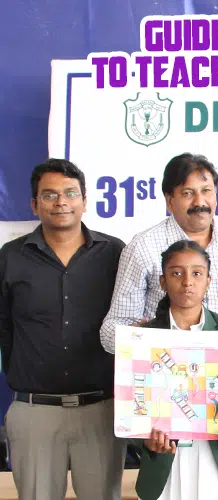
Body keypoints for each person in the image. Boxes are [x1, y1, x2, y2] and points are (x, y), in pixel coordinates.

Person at [0, 159, 126, 499]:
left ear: (85, 201)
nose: (61, 202)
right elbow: (5, 330)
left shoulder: (115, 253)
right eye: (50, 195)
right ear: (34, 204)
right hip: (34, 411)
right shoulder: (10, 257)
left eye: (71, 193)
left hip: (102, 410)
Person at [100, 153, 218, 353]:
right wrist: (137, 338)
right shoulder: (143, 247)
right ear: (170, 201)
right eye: (187, 193)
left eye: (206, 191)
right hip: (163, 371)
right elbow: (110, 330)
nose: (199, 202)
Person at [133, 240, 218, 500]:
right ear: (163, 282)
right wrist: (145, 439)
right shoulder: (143, 339)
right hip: (167, 464)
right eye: (176, 273)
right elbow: (131, 408)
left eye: (197, 273)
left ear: (208, 280)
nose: (187, 281)